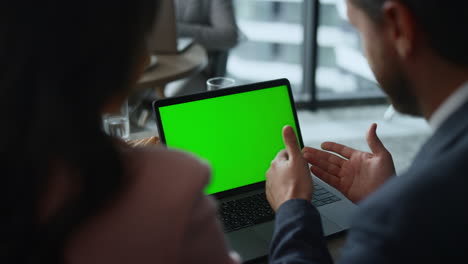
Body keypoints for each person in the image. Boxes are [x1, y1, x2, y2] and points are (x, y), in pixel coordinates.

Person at [0, 0, 239, 263]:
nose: (147, 57)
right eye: (140, 39)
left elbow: (228, 34)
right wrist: (290, 210)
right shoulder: (178, 182)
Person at [266, 0, 468, 263]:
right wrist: (387, 193)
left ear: (398, 26)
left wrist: (292, 206)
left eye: (358, 29)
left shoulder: (397, 222)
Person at [165, 0, 240, 96]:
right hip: (156, 64)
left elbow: (230, 36)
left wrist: (177, 30)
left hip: (197, 70)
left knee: (170, 98)